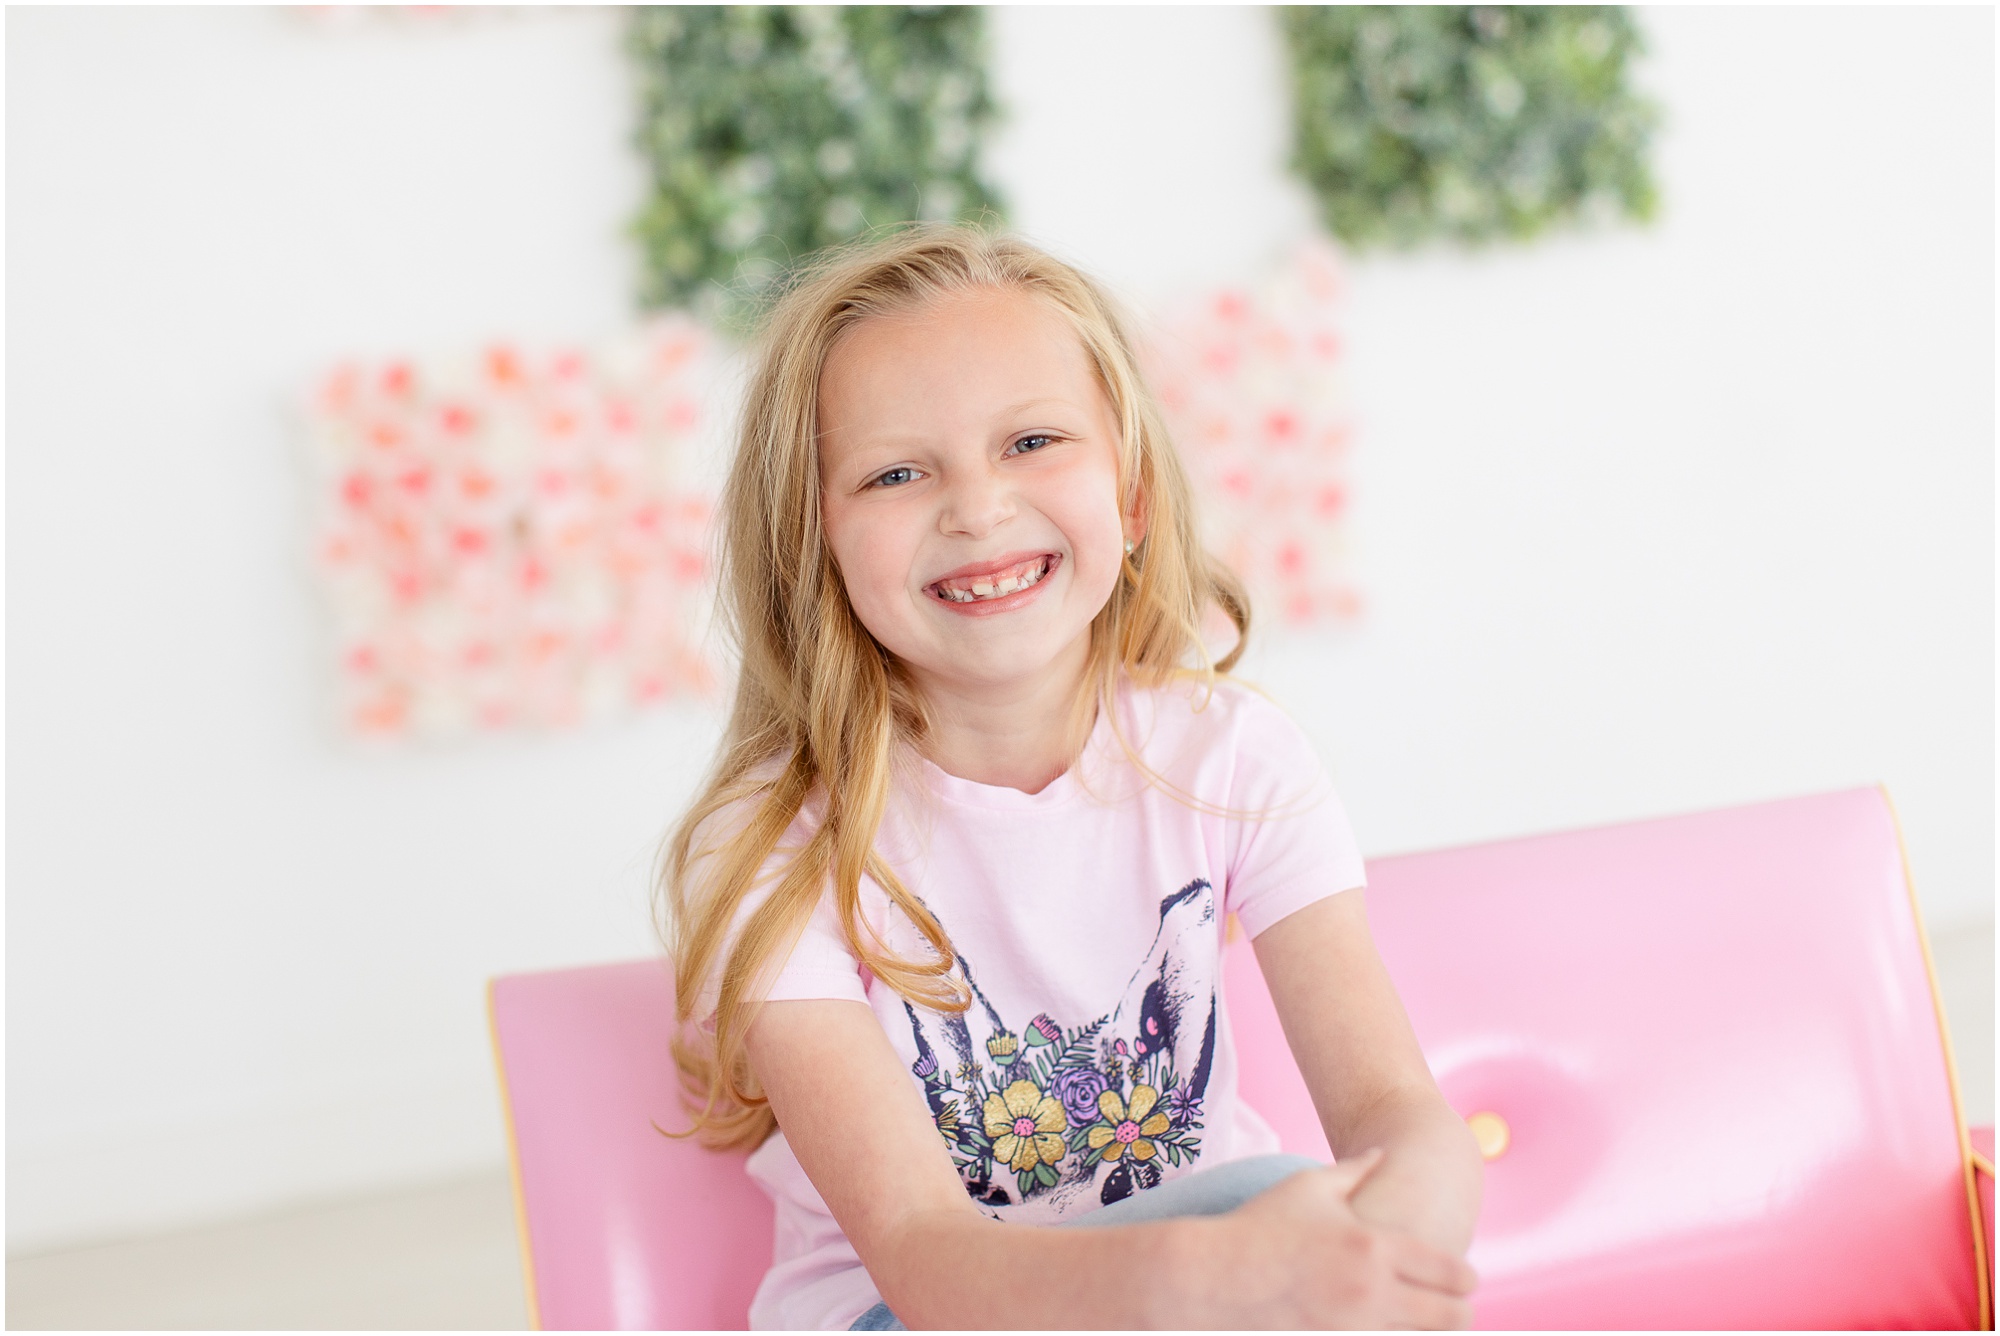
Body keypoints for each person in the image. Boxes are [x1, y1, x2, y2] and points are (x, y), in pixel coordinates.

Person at [659, 224, 1483, 1330]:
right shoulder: (774, 840)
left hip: (1218, 1253)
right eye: (896, 471)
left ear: (1130, 494)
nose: (976, 507)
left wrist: (1397, 1234)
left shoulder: (1231, 757)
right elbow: (923, 1258)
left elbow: (1391, 1107)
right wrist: (1199, 1285)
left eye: (1032, 440)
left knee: (1286, 1203)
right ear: (817, 544)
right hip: (917, 1311)